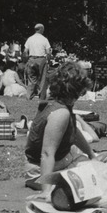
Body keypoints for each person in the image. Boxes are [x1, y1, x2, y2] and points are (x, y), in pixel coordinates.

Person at [25, 61, 99, 192]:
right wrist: (46, 190)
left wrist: (91, 154)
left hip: (53, 162)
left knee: (94, 164)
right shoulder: (61, 113)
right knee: (97, 176)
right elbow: (47, 154)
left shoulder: (57, 103)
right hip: (41, 171)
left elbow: (74, 132)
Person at [24, 23, 52, 100]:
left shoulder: (29, 39)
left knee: (31, 79)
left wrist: (27, 60)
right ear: (41, 29)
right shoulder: (44, 39)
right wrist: (48, 61)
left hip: (31, 59)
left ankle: (29, 96)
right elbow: (48, 52)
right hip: (41, 59)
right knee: (43, 79)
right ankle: (41, 97)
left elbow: (25, 51)